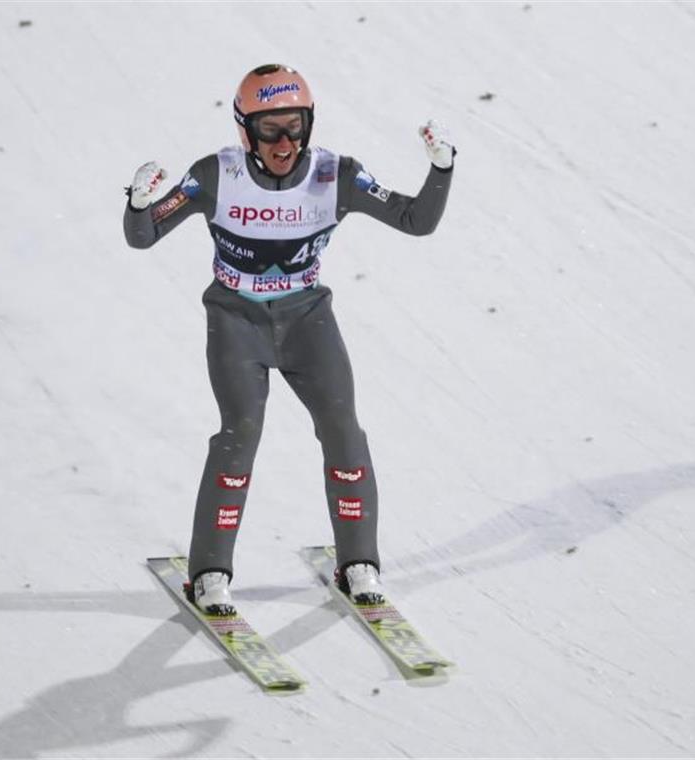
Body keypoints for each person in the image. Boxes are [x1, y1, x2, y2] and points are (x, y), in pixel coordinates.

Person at [123, 63, 454, 615]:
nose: (284, 143)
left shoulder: (336, 175)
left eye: (295, 126)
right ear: (245, 131)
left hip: (306, 320)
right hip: (237, 320)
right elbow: (145, 235)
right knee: (240, 433)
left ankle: (361, 562)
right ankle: (209, 573)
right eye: (270, 129)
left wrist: (442, 170)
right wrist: (137, 205)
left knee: (343, 427)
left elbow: (416, 221)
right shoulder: (216, 174)